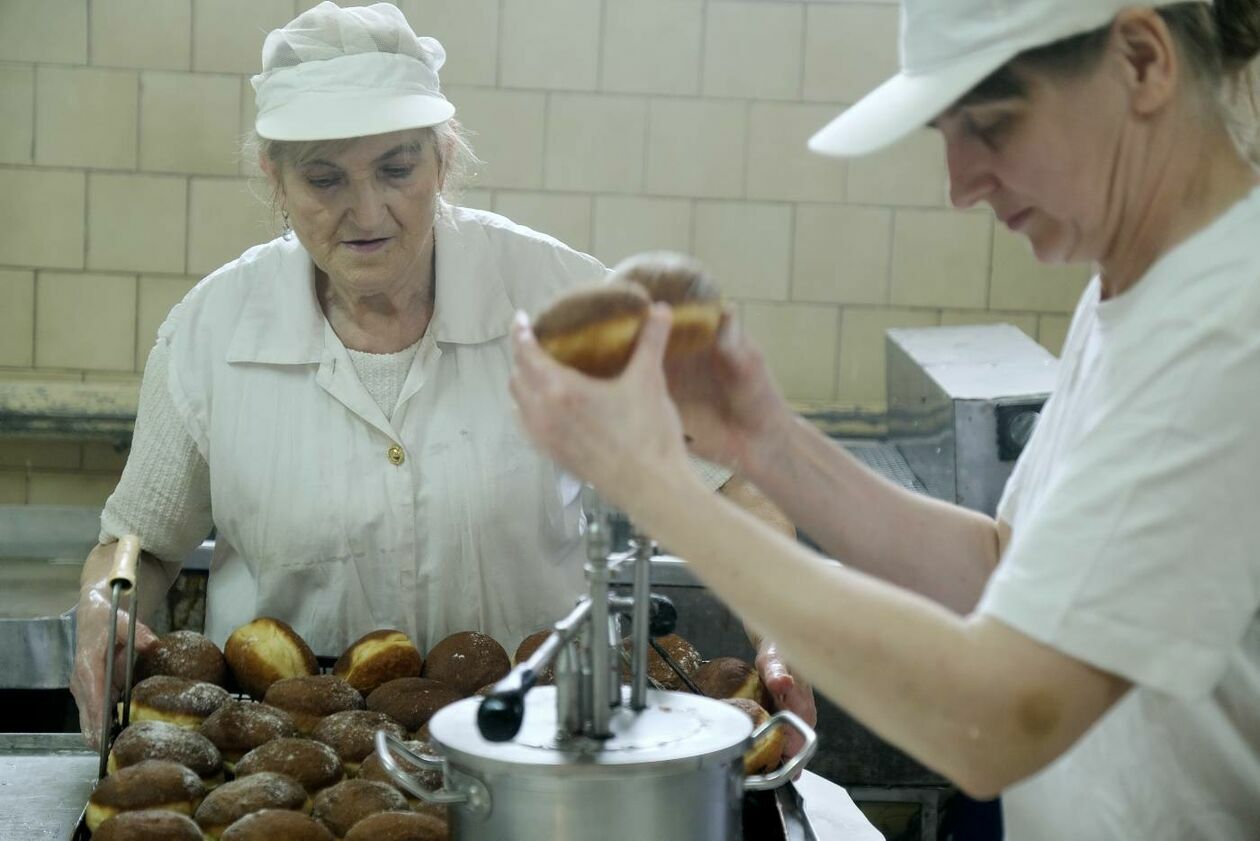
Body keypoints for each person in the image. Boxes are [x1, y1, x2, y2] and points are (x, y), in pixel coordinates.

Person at [510, 0, 1260, 837]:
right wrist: (765, 442)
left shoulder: (1231, 332)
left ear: (1144, 62)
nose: (959, 184)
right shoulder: (1132, 291)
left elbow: (1001, 720)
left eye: (989, 125)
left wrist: (658, 488)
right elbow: (1001, 567)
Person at [69, 1, 811, 746]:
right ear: (275, 177)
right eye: (324, 179)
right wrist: (105, 604)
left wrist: (787, 626)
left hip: (535, 761)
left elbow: (729, 485)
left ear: (444, 156)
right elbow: (141, 542)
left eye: (397, 168)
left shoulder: (560, 304)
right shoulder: (211, 333)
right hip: (282, 770)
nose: (367, 211)